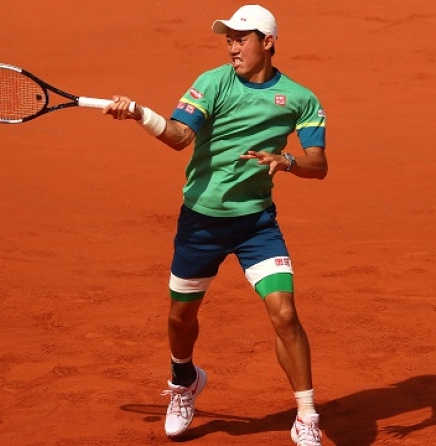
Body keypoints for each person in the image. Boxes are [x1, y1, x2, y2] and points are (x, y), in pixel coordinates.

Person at [103, 4, 328, 445]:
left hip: (257, 225)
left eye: (241, 39)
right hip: (201, 224)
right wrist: (139, 114)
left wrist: (286, 161)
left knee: (285, 313)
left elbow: (318, 165)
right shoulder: (212, 83)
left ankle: (306, 415)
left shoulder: (301, 98)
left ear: (268, 42)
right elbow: (180, 137)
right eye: (229, 40)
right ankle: (184, 380)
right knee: (180, 317)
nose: (233, 48)